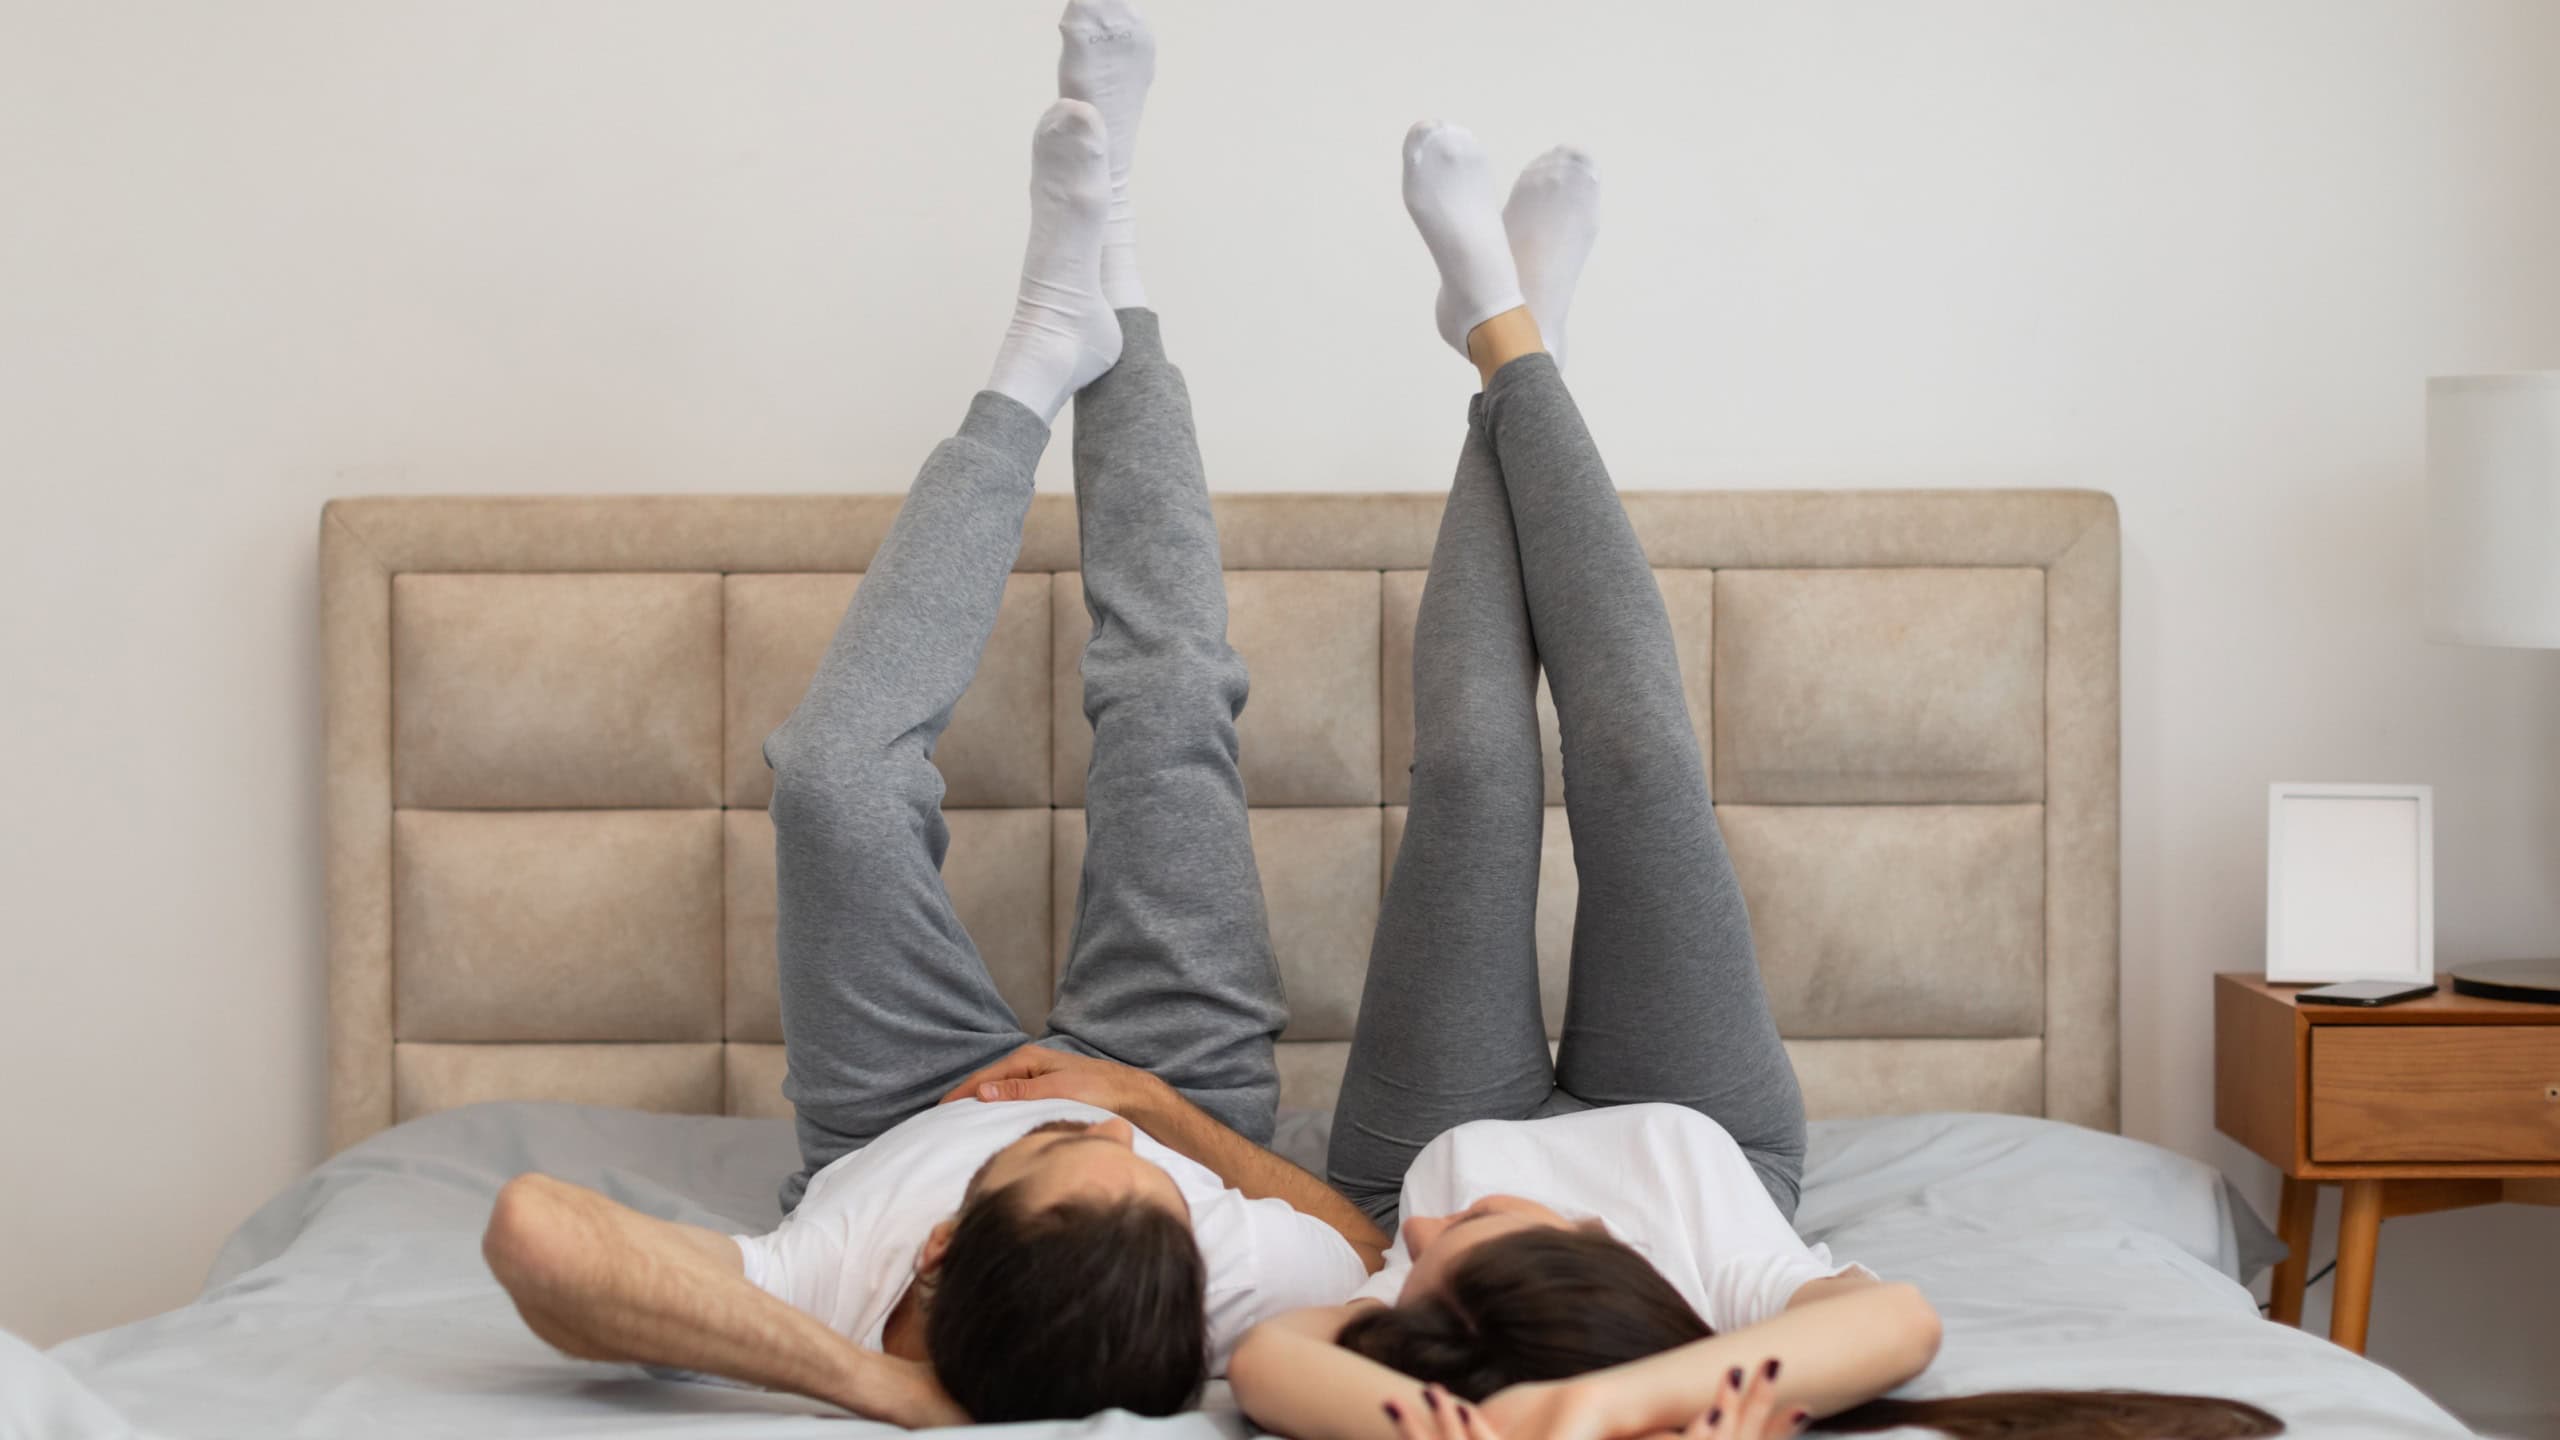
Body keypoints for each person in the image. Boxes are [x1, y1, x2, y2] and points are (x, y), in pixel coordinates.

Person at [1217, 122, 2283, 1440]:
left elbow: (1272, 1361)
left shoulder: (1416, 1237)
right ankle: (1509, 327)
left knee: (1479, 769)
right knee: (1643, 759)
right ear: (1585, 1270)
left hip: (1432, 1116)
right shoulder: (1731, 1280)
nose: (1423, 1231)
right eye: (1460, 1241)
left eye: (1413, 1259)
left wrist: (1498, 1420)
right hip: (1698, 1122)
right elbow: (1901, 1325)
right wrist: (1607, 1407)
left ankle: (1508, 334)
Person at [478, 3, 1385, 1425]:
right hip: (1178, 1070)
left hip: (905, 1106)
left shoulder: (832, 1268)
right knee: (1166, 703)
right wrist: (1155, 1122)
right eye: (1139, 1184)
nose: (1075, 1125)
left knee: (833, 784)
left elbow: (535, 1231)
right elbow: (1361, 1253)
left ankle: (1035, 354)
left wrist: (885, 1389)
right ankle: (1115, 261)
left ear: (945, 1240)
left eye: (1064, 1148)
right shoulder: (1208, 1271)